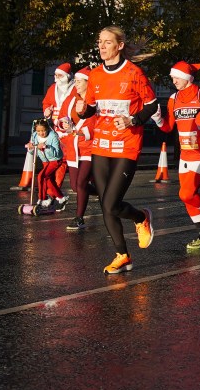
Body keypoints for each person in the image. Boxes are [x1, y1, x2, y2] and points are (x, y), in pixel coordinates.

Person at [75, 26, 159, 274]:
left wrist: (133, 120)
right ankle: (123, 255)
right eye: (99, 42)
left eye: (107, 42)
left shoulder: (134, 73)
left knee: (111, 204)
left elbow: (152, 105)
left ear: (120, 45)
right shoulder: (96, 75)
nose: (101, 46)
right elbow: (91, 108)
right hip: (100, 144)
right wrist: (82, 110)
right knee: (105, 204)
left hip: (126, 145)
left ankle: (141, 217)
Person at [158, 59, 200, 253]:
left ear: (187, 77)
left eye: (176, 77)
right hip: (184, 153)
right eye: (172, 77)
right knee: (187, 197)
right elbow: (168, 127)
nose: (173, 80)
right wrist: (157, 118)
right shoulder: (173, 99)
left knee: (186, 193)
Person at [66, 67, 97, 231]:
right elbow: (63, 116)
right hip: (73, 147)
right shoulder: (72, 98)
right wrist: (63, 124)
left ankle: (79, 218)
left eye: (78, 81)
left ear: (87, 82)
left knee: (81, 182)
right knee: (74, 185)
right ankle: (101, 192)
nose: (75, 84)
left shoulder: (95, 101)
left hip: (89, 147)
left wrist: (83, 132)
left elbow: (97, 123)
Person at [42, 62, 76, 193]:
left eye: (59, 75)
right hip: (55, 129)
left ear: (67, 76)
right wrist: (46, 111)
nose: (56, 77)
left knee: (62, 161)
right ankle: (52, 191)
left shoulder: (75, 88)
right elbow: (46, 103)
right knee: (56, 160)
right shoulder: (52, 88)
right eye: (55, 75)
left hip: (70, 130)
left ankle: (53, 192)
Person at [26, 118, 66, 212]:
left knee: (42, 176)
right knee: (49, 180)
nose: (41, 133)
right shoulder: (35, 135)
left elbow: (56, 153)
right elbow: (32, 151)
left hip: (55, 160)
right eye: (39, 131)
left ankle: (42, 199)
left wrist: (46, 147)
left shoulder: (53, 136)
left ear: (47, 128)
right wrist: (30, 147)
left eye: (43, 130)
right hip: (45, 160)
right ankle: (61, 198)